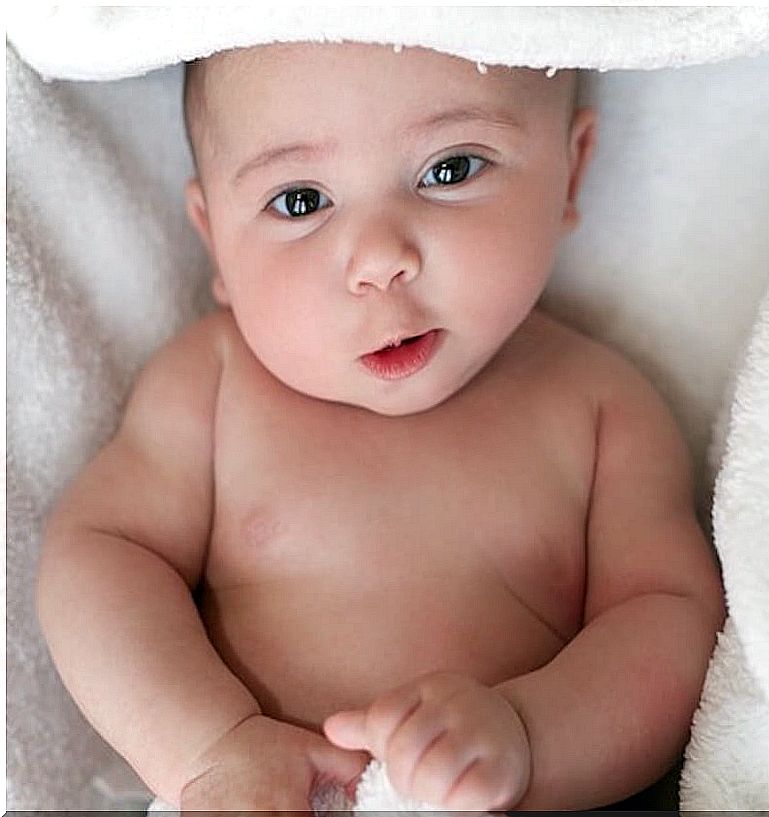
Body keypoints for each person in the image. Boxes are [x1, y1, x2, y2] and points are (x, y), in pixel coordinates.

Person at [37, 41, 725, 812]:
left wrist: (530, 737)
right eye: (300, 200)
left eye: (451, 169)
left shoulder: (600, 407)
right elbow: (98, 557)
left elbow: (669, 621)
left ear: (571, 167)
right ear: (214, 237)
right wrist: (209, 748)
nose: (378, 258)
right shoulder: (213, 386)